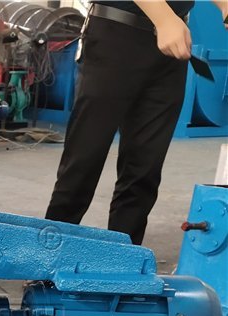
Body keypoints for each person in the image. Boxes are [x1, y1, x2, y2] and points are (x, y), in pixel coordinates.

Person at [46, 0, 228, 245]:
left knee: (144, 169)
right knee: (84, 160)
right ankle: (51, 251)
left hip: (171, 46)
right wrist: (163, 18)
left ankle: (124, 255)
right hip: (117, 34)